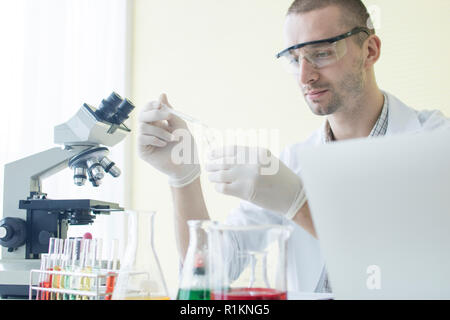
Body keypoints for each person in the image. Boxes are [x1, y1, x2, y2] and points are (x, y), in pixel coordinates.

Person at [137, 0, 450, 293]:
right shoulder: (294, 161)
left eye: (322, 53)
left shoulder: (437, 144)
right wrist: (183, 178)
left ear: (369, 50)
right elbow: (209, 271)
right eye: (294, 58)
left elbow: (411, 277)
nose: (305, 76)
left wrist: (298, 204)